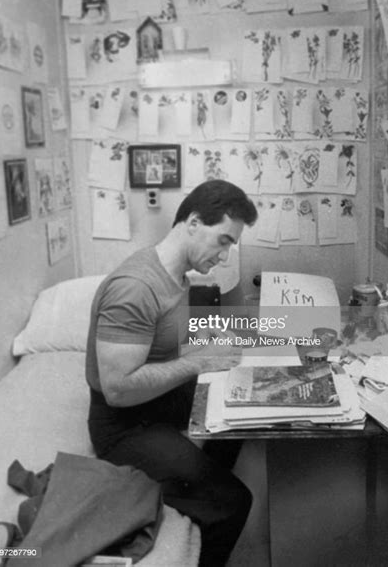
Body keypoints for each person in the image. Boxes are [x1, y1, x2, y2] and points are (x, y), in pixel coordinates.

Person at [86, 179, 258, 566]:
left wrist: (220, 337)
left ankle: (195, 478)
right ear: (194, 222)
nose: (226, 256)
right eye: (224, 241)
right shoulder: (134, 287)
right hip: (124, 425)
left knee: (238, 402)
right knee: (233, 502)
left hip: (156, 402)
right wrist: (199, 361)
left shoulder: (176, 275)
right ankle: (199, 492)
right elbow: (118, 389)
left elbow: (167, 337)